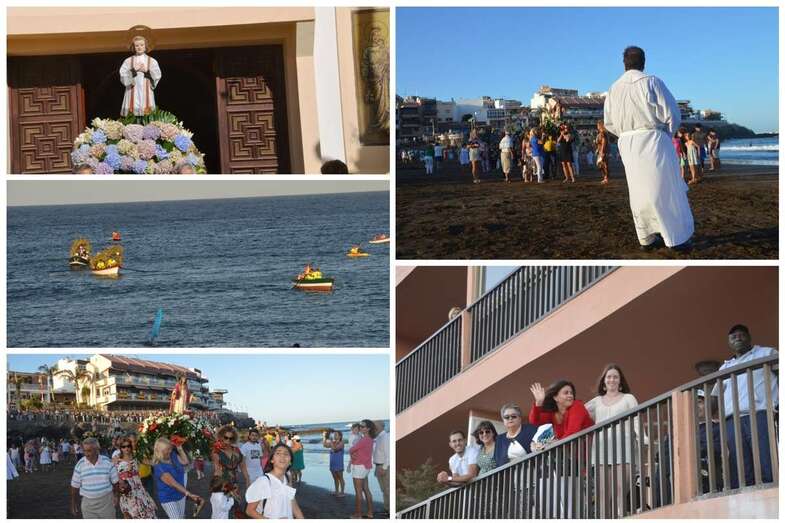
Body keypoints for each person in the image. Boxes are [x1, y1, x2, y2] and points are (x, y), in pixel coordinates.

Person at [603, 46, 694, 251]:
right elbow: (672, 113)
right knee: (664, 187)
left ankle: (646, 237)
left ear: (624, 63)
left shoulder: (613, 88)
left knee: (638, 191)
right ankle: (675, 237)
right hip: (653, 138)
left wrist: (625, 134)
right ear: (643, 62)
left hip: (627, 141)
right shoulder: (651, 81)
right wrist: (666, 134)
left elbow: (609, 122)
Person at [712, 324, 778, 488]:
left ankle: (775, 495)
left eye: (741, 335)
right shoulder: (725, 367)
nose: (738, 338)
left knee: (767, 460)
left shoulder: (767, 353)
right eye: (733, 337)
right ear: (729, 342)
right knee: (740, 469)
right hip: (731, 421)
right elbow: (714, 396)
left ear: (749, 337)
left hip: (760, 414)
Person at [585, 364, 641, 518]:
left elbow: (636, 419)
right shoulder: (596, 401)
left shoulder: (629, 398)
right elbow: (578, 414)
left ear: (620, 380)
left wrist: (643, 438)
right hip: (601, 450)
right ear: (604, 381)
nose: (612, 379)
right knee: (603, 493)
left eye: (615, 376)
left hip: (624, 449)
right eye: (609, 376)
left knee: (620, 488)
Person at [245, 443, 304, 519]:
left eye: (286, 454)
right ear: (272, 460)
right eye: (278, 453)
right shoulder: (264, 481)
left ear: (290, 462)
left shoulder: (288, 477)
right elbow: (249, 511)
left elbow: (293, 503)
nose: (282, 456)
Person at [70, 437, 119, 519]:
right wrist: (73, 503)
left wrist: (116, 496)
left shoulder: (107, 462)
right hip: (88, 505)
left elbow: (115, 481)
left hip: (106, 502)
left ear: (97, 450)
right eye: (84, 451)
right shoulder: (80, 465)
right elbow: (74, 486)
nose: (86, 454)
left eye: (89, 451)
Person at [153, 437, 202, 519]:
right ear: (160, 451)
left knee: (181, 517)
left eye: (170, 448)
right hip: (168, 498)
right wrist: (189, 494)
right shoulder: (159, 466)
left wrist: (179, 448)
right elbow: (174, 484)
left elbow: (185, 462)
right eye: (167, 449)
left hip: (180, 494)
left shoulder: (172, 455)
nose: (170, 451)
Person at [529, 380, 594, 439]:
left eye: (571, 393)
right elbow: (535, 422)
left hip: (588, 448)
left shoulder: (577, 405)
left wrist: (555, 446)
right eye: (566, 393)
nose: (570, 395)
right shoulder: (552, 413)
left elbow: (572, 432)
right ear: (555, 397)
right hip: (568, 449)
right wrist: (539, 403)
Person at [115, 436, 157, 519]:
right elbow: (113, 476)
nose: (126, 448)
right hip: (127, 491)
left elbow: (153, 462)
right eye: (123, 446)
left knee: (145, 514)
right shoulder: (116, 460)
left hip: (139, 491)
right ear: (120, 448)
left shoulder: (137, 458)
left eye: (128, 446)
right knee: (129, 515)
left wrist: (155, 449)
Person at [120, 35, 162, 117]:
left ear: (145, 46)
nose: (139, 47)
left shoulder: (152, 61)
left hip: (146, 92)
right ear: (133, 47)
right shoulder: (128, 61)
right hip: (132, 91)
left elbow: (157, 75)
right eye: (137, 45)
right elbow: (123, 75)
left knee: (147, 117)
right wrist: (133, 70)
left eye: (142, 45)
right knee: (132, 119)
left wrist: (147, 71)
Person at [349, 419, 376, 519]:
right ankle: (370, 512)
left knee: (358, 491)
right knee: (366, 490)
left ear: (368, 428)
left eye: (363, 426)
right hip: (365, 467)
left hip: (359, 467)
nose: (360, 428)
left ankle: (358, 514)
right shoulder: (369, 439)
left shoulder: (364, 440)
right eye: (360, 426)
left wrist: (354, 452)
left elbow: (351, 449)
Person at [212, 425, 247, 496]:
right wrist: (216, 487)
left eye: (231, 438)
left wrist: (247, 481)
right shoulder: (217, 451)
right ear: (221, 436)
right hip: (222, 485)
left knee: (235, 504)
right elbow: (217, 470)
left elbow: (243, 467)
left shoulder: (236, 450)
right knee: (225, 505)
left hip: (235, 483)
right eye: (226, 437)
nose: (228, 440)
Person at [373, 421, 390, 515]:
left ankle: (389, 511)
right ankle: (386, 509)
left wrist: (383, 468)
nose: (374, 427)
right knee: (384, 490)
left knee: (387, 489)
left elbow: (389, 454)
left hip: (384, 467)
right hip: (378, 466)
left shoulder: (385, 437)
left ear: (381, 426)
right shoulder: (379, 437)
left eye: (375, 425)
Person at [323, 430, 346, 497]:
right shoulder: (333, 442)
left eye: (336, 434)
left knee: (340, 477)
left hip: (339, 463)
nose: (334, 435)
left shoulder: (342, 443)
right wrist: (324, 437)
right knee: (335, 478)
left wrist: (331, 442)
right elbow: (324, 445)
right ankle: (336, 491)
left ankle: (342, 492)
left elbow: (335, 449)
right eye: (334, 434)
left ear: (340, 436)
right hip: (332, 463)